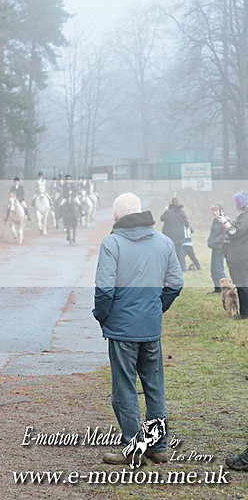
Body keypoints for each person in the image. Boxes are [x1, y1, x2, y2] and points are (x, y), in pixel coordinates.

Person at [93, 192, 183, 466]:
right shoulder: (164, 242)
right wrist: (157, 308)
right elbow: (175, 283)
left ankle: (132, 449)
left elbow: (105, 291)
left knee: (124, 390)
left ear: (116, 216)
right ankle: (157, 447)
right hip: (150, 329)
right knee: (154, 388)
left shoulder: (112, 244)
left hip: (122, 331)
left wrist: (102, 316)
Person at [220, 191, 248, 318]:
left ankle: (244, 313)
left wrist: (224, 222)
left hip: (242, 257)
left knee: (243, 285)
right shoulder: (243, 217)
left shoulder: (246, 217)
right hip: (240, 256)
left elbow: (234, 232)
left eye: (237, 202)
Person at [159, 197, 188, 272]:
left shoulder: (168, 212)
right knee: (180, 252)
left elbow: (162, 218)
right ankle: (183, 268)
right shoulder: (182, 212)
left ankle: (170, 268)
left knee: (170, 253)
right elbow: (185, 221)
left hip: (170, 235)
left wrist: (166, 210)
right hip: (180, 235)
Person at [207, 203, 229, 293]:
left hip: (221, 247)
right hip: (215, 247)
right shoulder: (215, 221)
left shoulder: (225, 220)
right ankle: (217, 289)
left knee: (219, 268)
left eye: (216, 210)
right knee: (213, 269)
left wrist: (215, 241)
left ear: (221, 210)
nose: (214, 212)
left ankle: (226, 289)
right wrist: (209, 241)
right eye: (213, 210)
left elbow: (225, 234)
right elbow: (212, 233)